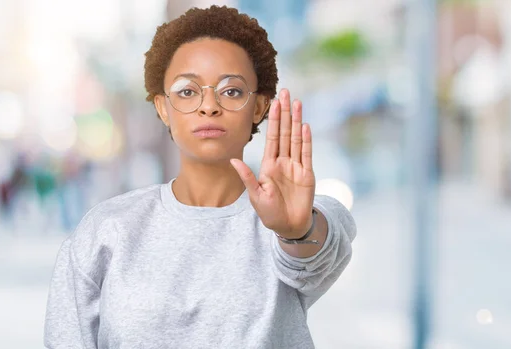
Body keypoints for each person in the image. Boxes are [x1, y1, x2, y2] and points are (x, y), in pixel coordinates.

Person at [44, 5, 356, 349]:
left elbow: (319, 255)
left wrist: (297, 232)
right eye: (187, 91)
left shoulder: (293, 219)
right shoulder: (106, 230)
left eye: (232, 91)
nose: (209, 106)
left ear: (260, 107)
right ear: (163, 107)